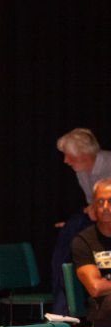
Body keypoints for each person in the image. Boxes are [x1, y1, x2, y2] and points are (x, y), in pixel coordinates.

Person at [53, 129, 109, 314]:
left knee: (72, 230)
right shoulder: (82, 171)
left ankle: (64, 308)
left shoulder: (108, 165)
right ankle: (63, 306)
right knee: (67, 238)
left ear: (84, 153)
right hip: (95, 219)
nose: (66, 161)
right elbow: (91, 206)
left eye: (69, 156)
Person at [72, 178, 111, 327]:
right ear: (93, 206)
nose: (106, 207)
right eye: (100, 202)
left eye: (110, 201)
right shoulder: (83, 241)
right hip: (101, 306)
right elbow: (95, 288)